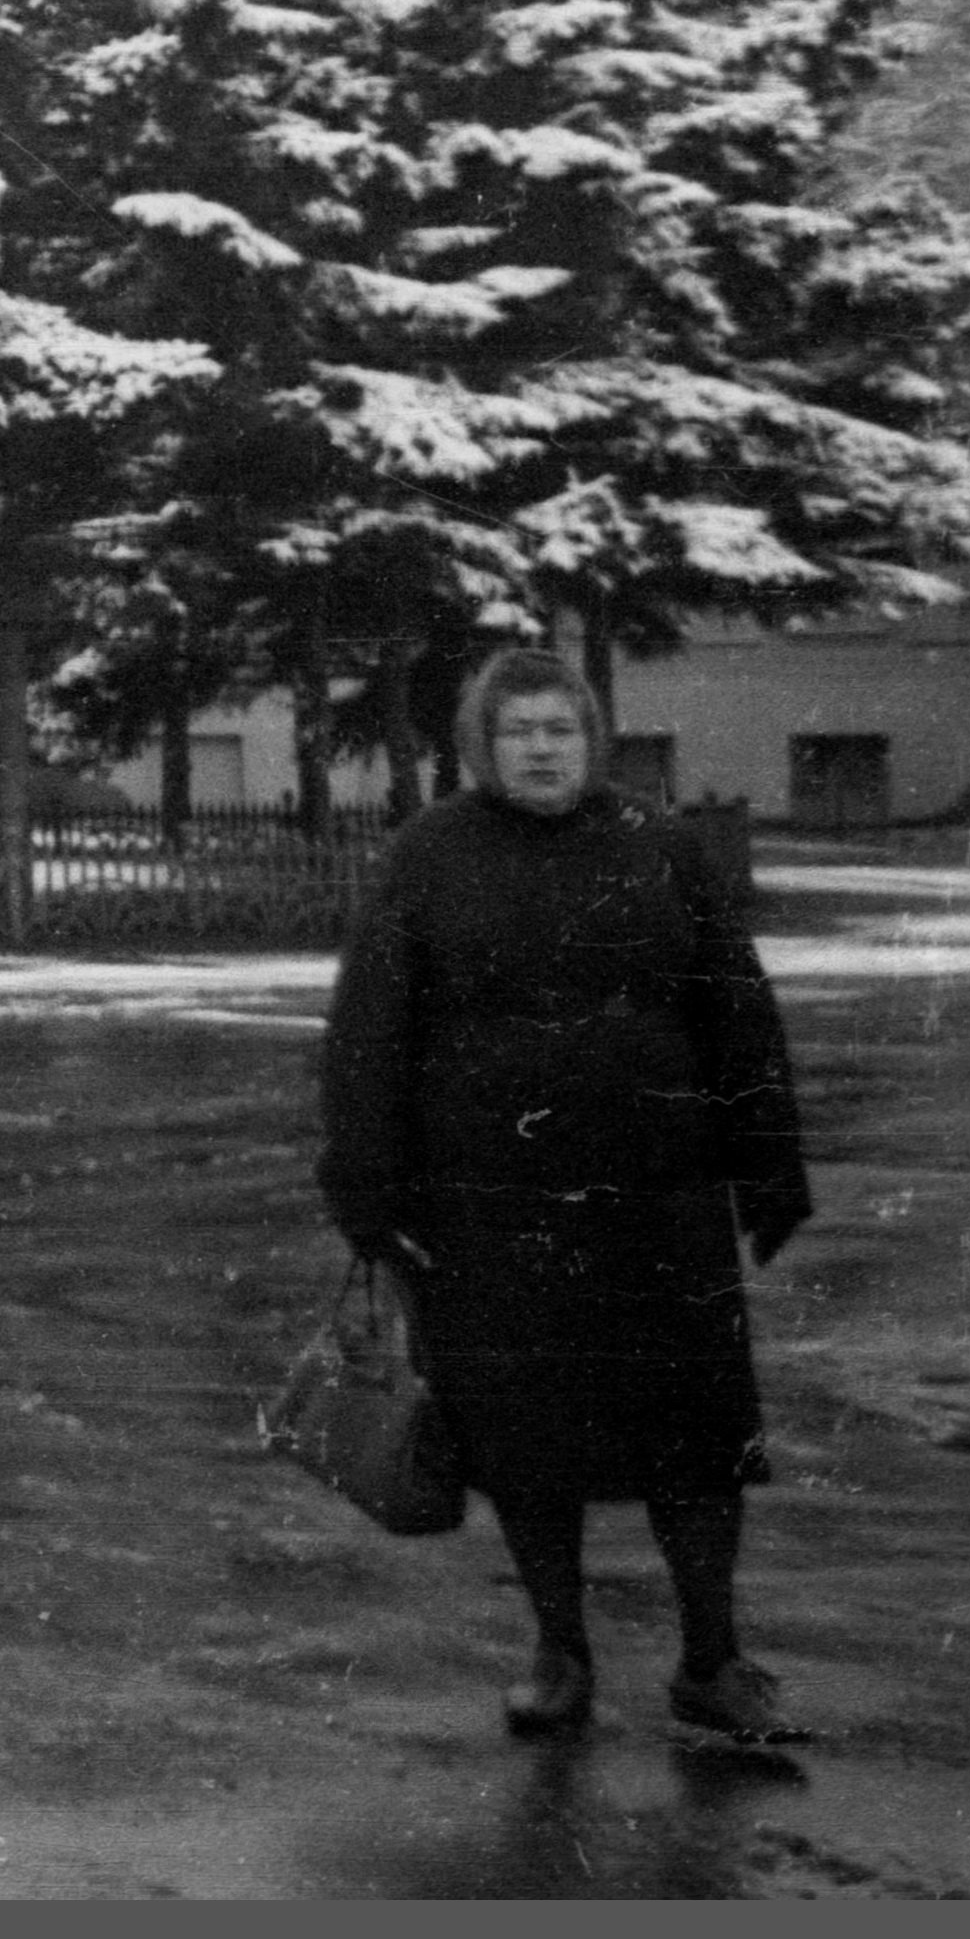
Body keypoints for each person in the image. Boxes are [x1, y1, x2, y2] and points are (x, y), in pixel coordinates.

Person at [318, 645, 815, 1749]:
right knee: (524, 1440)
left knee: (694, 1435)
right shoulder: (428, 856)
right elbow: (367, 1035)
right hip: (493, 1207)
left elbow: (735, 1013)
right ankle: (559, 1652)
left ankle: (711, 1659)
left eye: (561, 729)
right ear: (481, 748)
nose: (542, 748)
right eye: (518, 732)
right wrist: (363, 1183)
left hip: (658, 1200)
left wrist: (768, 1164)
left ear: (593, 739)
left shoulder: (660, 848)